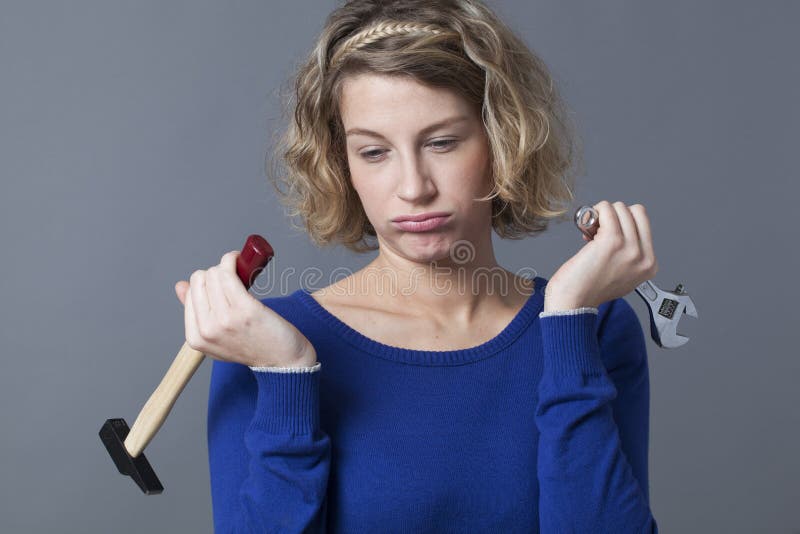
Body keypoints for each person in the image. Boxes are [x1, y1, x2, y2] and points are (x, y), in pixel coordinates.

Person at [174, 0, 659, 531]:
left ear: (502, 142)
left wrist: (567, 323)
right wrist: (286, 375)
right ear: (343, 166)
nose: (413, 188)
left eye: (442, 143)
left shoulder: (593, 327)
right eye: (374, 152)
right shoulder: (260, 345)